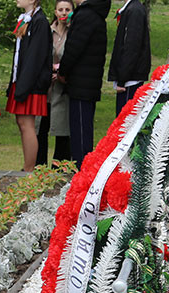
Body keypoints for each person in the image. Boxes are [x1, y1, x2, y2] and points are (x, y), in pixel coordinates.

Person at [57, 0, 110, 169]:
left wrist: (62, 71)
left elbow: (73, 48)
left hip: (81, 82)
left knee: (80, 133)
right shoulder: (94, 14)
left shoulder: (86, 15)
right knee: (83, 128)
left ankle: (82, 170)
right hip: (87, 81)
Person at [6, 0, 51, 173]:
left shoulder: (40, 22)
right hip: (22, 80)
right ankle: (27, 166)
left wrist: (24, 86)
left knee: (27, 124)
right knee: (21, 122)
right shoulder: (26, 19)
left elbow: (35, 57)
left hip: (31, 82)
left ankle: (29, 169)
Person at [36, 0, 72, 166]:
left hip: (63, 87)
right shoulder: (47, 31)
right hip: (46, 87)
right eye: (60, 9)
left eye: (67, 9)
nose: (64, 13)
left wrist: (61, 72)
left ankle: (59, 168)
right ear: (55, 12)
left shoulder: (73, 32)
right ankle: (39, 165)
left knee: (62, 130)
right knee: (40, 128)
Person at [108, 0, 150, 116]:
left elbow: (131, 47)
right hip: (128, 77)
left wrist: (122, 79)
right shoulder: (131, 9)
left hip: (130, 79)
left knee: (125, 120)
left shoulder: (135, 10)